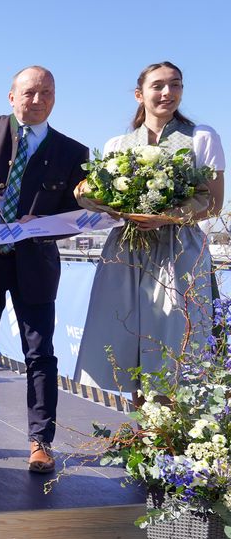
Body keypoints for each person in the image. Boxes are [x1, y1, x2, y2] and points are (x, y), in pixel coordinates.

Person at [0, 66, 88, 473]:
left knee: (40, 355)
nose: (37, 100)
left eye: (46, 93)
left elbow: (79, 215)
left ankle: (41, 441)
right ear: (11, 96)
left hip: (35, 264)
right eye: (29, 92)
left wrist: (50, 222)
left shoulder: (74, 152)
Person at [74, 62, 225, 397]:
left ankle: (176, 434)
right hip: (127, 251)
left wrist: (167, 216)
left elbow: (212, 204)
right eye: (158, 86)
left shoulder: (202, 137)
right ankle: (146, 431)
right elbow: (107, 201)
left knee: (175, 343)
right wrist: (91, 197)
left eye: (176, 85)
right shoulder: (117, 144)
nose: (167, 93)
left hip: (179, 249)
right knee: (126, 340)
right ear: (139, 94)